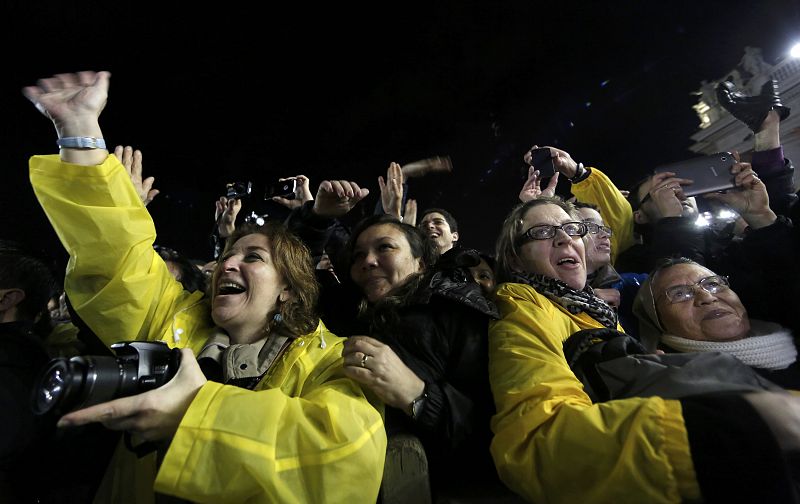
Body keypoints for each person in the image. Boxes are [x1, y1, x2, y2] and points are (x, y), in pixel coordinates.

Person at [24, 70, 386, 503]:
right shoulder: (170, 319)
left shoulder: (330, 362)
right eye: (228, 255)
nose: (228, 263)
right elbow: (114, 255)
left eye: (253, 257)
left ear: (288, 289)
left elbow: (344, 460)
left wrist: (193, 412)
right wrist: (80, 131)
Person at [489, 196, 800, 503]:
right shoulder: (523, 310)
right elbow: (536, 443)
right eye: (542, 232)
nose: (563, 238)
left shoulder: (596, 313)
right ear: (515, 259)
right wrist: (710, 431)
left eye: (573, 229)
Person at [338, 214, 503, 499]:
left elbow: (490, 429)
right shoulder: (353, 313)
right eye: (358, 255)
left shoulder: (457, 310)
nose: (368, 261)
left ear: (421, 263)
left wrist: (417, 395)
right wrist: (318, 218)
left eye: (385, 247)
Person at [633, 257, 800, 389]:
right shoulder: (671, 382)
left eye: (712, 284)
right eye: (679, 294)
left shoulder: (793, 335)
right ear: (658, 321)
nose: (707, 297)